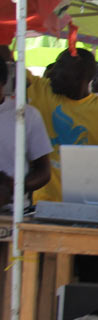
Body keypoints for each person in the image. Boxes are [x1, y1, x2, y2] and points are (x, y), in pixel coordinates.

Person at [25, 48, 98, 204]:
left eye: (59, 65)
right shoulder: (41, 88)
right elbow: (10, 66)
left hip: (89, 206)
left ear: (80, 74)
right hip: (44, 205)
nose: (52, 72)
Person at [0, 55, 52, 208]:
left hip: (13, 211)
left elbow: (43, 171)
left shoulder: (26, 114)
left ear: (3, 83)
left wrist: (11, 188)